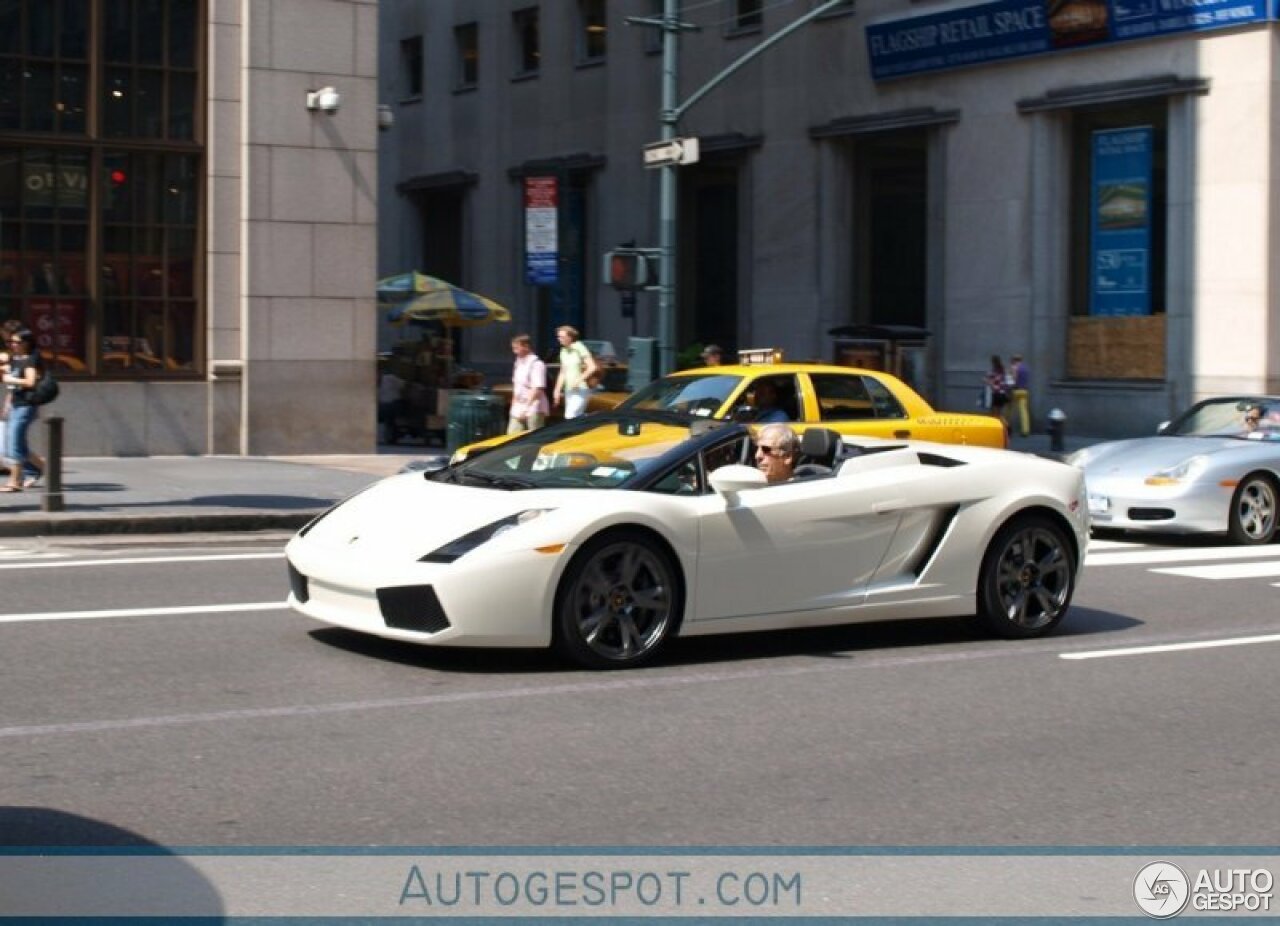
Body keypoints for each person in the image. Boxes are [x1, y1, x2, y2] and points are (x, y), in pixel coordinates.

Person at [2, 328, 46, 491]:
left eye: (17, 342)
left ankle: (15, 481)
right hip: (16, 404)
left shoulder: (30, 360)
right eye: (11, 342)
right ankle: (36, 468)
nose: (13, 345)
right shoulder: (16, 359)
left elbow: (30, 382)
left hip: (26, 406)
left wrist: (10, 378)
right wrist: (8, 402)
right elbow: (13, 387)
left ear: (26, 343)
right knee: (14, 443)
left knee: (14, 443)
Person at [552, 325, 598, 420]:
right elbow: (563, 372)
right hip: (569, 389)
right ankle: (587, 423)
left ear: (570, 337)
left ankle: (589, 421)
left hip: (580, 388)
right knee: (574, 417)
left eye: (562, 337)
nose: (559, 339)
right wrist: (557, 390)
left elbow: (592, 367)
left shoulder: (579, 347)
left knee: (570, 416)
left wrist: (578, 380)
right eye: (558, 337)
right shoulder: (563, 351)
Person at [508, 333, 549, 434]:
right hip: (518, 406)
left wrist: (526, 407)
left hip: (533, 406)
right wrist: (513, 405)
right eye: (513, 348)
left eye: (517, 348)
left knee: (534, 436)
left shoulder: (536, 364)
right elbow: (516, 386)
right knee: (511, 436)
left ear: (526, 346)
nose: (514, 351)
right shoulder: (518, 362)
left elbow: (537, 388)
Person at [377, 367, 407, 444]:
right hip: (385, 405)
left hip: (393, 404)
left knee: (389, 415)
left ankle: (390, 433)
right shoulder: (376, 384)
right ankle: (389, 434)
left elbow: (403, 384)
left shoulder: (389, 378)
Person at [1009, 353, 1031, 438]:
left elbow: (1013, 380)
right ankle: (1025, 431)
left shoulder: (1014, 367)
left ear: (1014, 360)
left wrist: (1010, 387)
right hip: (1024, 391)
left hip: (1016, 391)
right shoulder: (1026, 368)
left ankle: (1007, 427)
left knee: (1009, 410)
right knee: (1024, 412)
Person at [983, 355, 1009, 423]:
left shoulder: (995, 371)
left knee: (994, 413)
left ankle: (1004, 427)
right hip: (1002, 394)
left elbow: (993, 382)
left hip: (997, 394)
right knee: (998, 413)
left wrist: (988, 381)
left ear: (993, 362)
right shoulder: (1003, 370)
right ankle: (1005, 427)